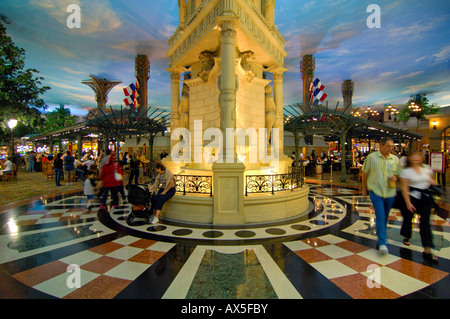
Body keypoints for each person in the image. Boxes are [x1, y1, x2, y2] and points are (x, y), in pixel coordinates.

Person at [361, 137, 401, 255]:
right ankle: (383, 242)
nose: (390, 149)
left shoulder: (395, 159)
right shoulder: (371, 158)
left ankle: (381, 239)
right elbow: (365, 174)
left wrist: (396, 178)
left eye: (392, 146)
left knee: (385, 217)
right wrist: (364, 189)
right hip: (375, 191)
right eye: (388, 146)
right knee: (380, 215)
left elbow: (398, 174)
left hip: (390, 192)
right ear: (381, 146)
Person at [399, 151, 439, 262]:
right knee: (408, 219)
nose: (416, 158)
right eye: (413, 156)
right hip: (411, 198)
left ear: (421, 158)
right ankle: (406, 236)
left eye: (418, 156)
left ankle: (427, 250)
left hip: (425, 198)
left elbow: (432, 180)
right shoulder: (406, 171)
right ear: (410, 158)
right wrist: (408, 203)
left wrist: (434, 183)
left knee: (425, 223)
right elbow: (404, 187)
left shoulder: (426, 168)